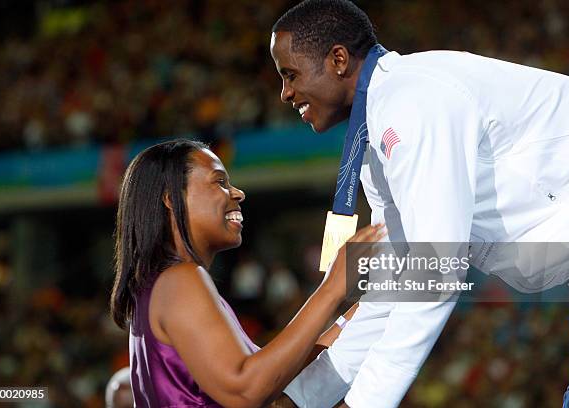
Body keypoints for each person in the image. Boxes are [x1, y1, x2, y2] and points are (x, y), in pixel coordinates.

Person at [269, 1, 569, 407]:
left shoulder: (411, 103)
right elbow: (394, 286)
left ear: (338, 59)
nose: (284, 93)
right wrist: (302, 399)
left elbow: (437, 269)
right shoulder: (377, 143)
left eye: (290, 74)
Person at [109, 139, 385, 407]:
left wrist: (370, 306)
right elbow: (247, 391)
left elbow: (277, 372)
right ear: (171, 198)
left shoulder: (159, 284)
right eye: (219, 181)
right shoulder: (179, 280)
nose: (238, 193)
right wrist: (331, 289)